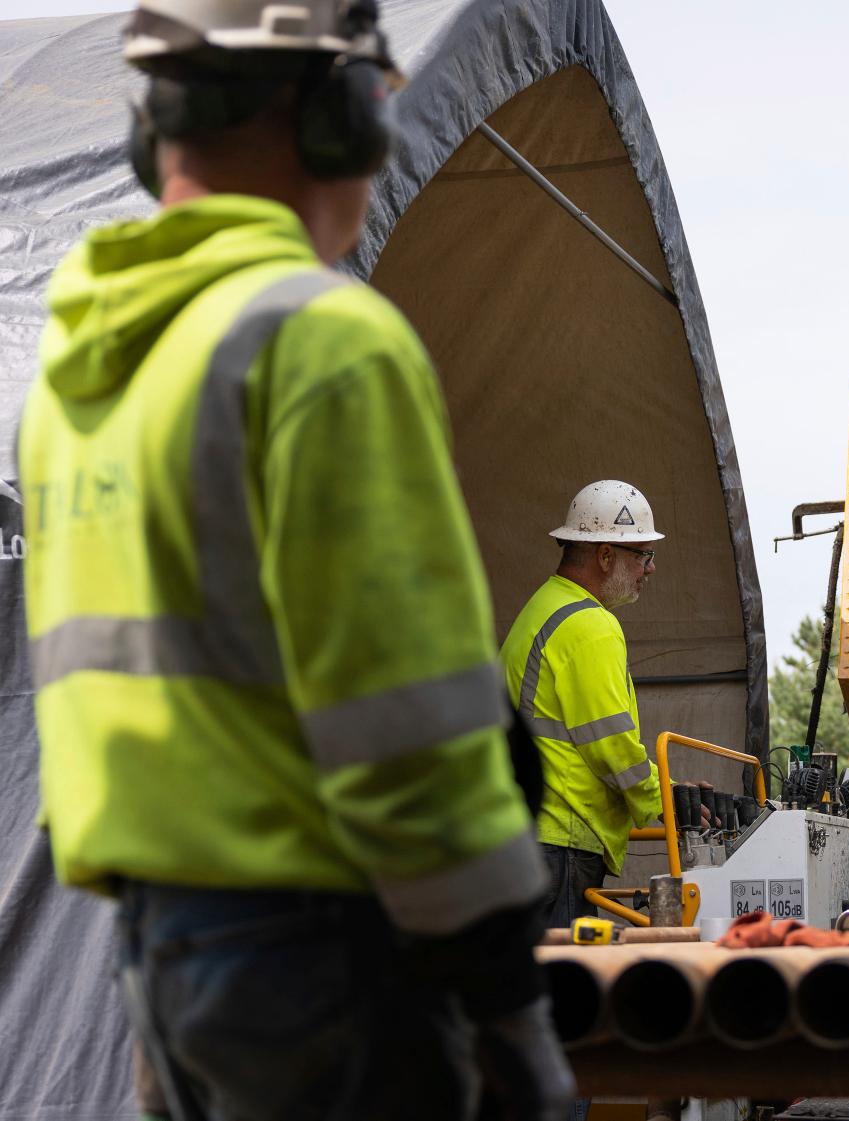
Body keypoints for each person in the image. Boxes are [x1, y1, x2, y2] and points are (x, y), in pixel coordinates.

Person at [18, 2, 571, 1117]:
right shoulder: (321, 341)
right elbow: (411, 727)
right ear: (338, 118)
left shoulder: (79, 373)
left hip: (163, 961)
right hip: (327, 957)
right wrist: (511, 1006)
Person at [501, 480, 667, 929]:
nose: (649, 569)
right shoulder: (591, 625)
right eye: (643, 555)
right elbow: (611, 747)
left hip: (526, 836)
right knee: (569, 986)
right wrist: (665, 798)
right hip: (561, 841)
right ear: (606, 555)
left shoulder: (542, 608)